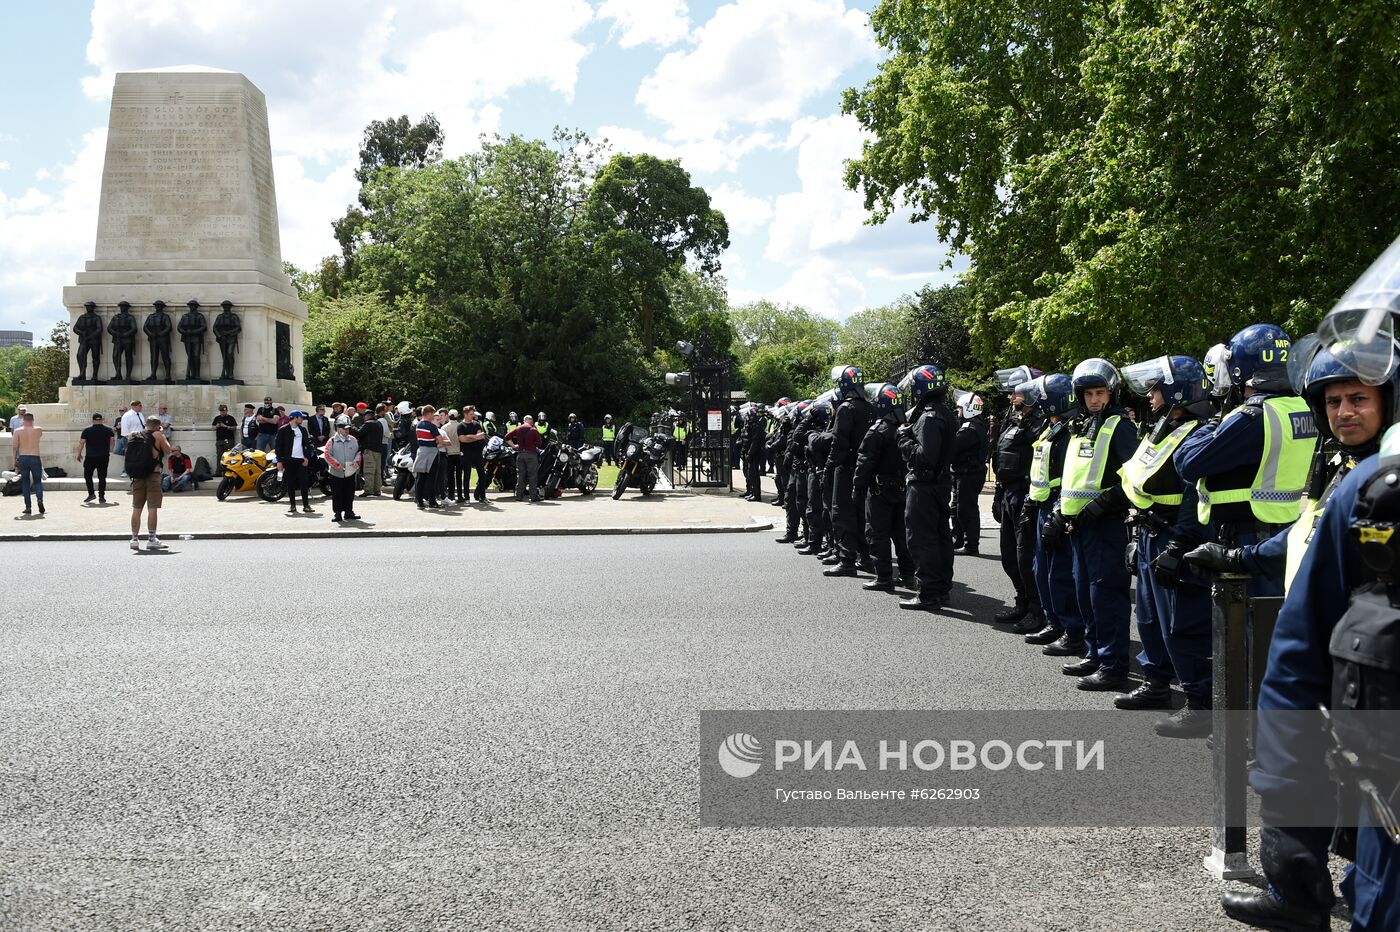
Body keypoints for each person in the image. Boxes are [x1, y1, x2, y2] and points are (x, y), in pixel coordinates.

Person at [1215, 244, 1400, 932]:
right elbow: (1305, 553)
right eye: (1334, 402)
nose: (1344, 413)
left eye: (1359, 398)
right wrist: (1293, 857)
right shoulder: (1364, 486)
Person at [1175, 323, 1316, 597]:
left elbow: (1188, 463)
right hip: (1280, 531)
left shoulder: (1252, 417)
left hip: (1246, 535)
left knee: (1244, 629)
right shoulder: (1301, 408)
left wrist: (1212, 425)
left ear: (1240, 369)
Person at [1115, 355, 1215, 734]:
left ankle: (1200, 702)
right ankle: (1157, 684)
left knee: (1182, 622)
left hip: (1175, 536)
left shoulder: (1198, 432)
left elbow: (1194, 494)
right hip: (1149, 532)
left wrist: (1178, 546)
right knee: (1149, 618)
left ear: (1175, 391)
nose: (1150, 396)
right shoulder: (1161, 427)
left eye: (1156, 388)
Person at [1042, 358, 1138, 691]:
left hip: (1105, 525)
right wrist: (1062, 511)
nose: (1094, 399)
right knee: (1086, 594)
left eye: (1100, 393)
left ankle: (1113, 665)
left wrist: (1102, 505)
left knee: (1106, 595)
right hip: (1079, 525)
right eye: (1088, 394)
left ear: (1111, 393)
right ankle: (1095, 652)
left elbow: (1135, 477)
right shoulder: (1080, 426)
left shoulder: (1119, 426)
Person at [1019, 374, 1087, 653]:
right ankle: (1053, 620)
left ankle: (1072, 629)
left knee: (1059, 573)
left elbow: (1071, 476)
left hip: (1057, 509)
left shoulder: (1070, 432)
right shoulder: (1050, 428)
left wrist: (1059, 512)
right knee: (1041, 570)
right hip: (1040, 505)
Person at [990, 366, 1047, 632]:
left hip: (1026, 494)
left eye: (1019, 392)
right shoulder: (1011, 417)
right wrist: (999, 494)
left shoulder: (1040, 421)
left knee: (1027, 558)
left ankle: (1037, 610)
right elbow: (1001, 453)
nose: (1013, 397)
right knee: (1009, 556)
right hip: (1009, 492)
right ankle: (1022, 601)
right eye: (1012, 392)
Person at [897, 365, 956, 610]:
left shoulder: (928, 417)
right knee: (941, 536)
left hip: (924, 485)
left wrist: (903, 439)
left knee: (922, 539)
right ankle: (941, 588)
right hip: (940, 483)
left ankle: (928, 593)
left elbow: (924, 456)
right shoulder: (946, 413)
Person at [855, 384, 914, 592]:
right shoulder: (906, 428)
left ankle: (884, 578)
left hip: (879, 491)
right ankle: (908, 575)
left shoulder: (877, 430)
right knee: (901, 534)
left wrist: (857, 488)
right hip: (902, 489)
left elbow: (864, 462)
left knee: (877, 534)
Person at [823, 366, 876, 576]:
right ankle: (865, 557)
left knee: (842, 513)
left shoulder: (846, 408)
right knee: (862, 514)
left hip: (846, 467)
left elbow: (839, 444)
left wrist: (828, 467)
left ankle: (846, 560)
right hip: (864, 468)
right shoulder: (870, 407)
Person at [950, 391, 989, 555]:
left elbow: (953, 448)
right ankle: (959, 540)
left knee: (966, 509)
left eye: (960, 409)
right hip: (965, 473)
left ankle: (971, 544)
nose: (958, 412)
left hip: (968, 473)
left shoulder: (969, 429)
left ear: (968, 409)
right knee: (957, 507)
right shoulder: (976, 425)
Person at [127, 415, 170, 550]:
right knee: (152, 508)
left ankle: (134, 539)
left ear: (146, 425)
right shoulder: (158, 435)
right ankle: (151, 539)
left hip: (137, 475)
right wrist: (161, 433)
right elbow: (168, 451)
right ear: (158, 426)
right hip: (153, 474)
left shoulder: (134, 435)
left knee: (136, 508)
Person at [799, 401, 834, 558]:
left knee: (817, 510)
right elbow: (796, 437)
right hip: (815, 471)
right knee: (816, 509)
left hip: (819, 472)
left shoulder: (820, 431)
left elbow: (799, 436)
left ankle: (817, 544)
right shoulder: (820, 428)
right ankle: (821, 543)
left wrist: (807, 423)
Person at [777, 401, 812, 546]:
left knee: (803, 503)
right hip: (794, 468)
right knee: (790, 500)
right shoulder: (795, 427)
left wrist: (790, 432)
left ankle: (807, 535)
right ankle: (791, 532)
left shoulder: (806, 429)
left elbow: (794, 446)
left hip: (802, 469)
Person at [275, 410, 314, 515]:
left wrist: (307, 458)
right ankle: (292, 505)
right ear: (295, 418)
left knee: (304, 482)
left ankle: (306, 505)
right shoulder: (283, 430)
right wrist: (279, 461)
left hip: (301, 460)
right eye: (301, 418)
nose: (302, 419)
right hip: (289, 460)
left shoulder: (303, 430)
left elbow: (308, 445)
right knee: (290, 483)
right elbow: (278, 446)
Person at [323, 416, 362, 523]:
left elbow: (358, 452)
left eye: (348, 428)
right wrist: (336, 465)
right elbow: (327, 454)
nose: (346, 430)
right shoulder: (332, 441)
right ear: (338, 428)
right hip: (336, 473)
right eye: (344, 428)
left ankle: (349, 512)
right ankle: (337, 513)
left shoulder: (353, 440)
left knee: (349, 493)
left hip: (350, 472)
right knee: (337, 494)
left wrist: (356, 462)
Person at [77, 412, 115, 503]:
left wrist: (79, 453)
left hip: (91, 456)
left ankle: (91, 494)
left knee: (88, 475)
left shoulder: (87, 430)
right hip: (104, 456)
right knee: (102, 477)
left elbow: (82, 442)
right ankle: (101, 496)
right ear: (101, 420)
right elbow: (112, 440)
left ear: (93, 420)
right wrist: (109, 450)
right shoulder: (108, 430)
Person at [11, 412, 44, 515]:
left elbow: (14, 447)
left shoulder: (18, 431)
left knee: (25, 482)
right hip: (35, 456)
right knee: (37, 481)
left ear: (23, 420)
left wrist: (14, 460)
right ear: (33, 420)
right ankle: (39, 500)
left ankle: (28, 507)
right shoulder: (38, 430)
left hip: (23, 457)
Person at [412, 404, 445, 509]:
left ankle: (419, 501)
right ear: (429, 414)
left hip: (421, 451)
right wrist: (435, 440)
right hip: (432, 453)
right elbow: (440, 440)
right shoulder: (431, 426)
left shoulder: (418, 424)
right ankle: (432, 501)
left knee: (420, 478)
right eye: (433, 414)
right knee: (431, 478)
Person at [505, 414, 545, 502]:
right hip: (531, 454)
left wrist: (514, 446)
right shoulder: (533, 430)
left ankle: (519, 496)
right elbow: (539, 444)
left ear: (524, 421)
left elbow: (507, 437)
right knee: (532, 475)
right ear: (531, 421)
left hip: (520, 454)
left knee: (520, 475)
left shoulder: (518, 428)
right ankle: (533, 496)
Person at [459, 406, 487, 503]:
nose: (473, 416)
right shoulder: (461, 426)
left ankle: (482, 497)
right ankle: (466, 498)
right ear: (465, 414)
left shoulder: (477, 424)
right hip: (466, 454)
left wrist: (469, 436)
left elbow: (481, 437)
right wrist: (475, 436)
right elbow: (462, 439)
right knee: (467, 476)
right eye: (471, 414)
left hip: (477, 453)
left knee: (482, 475)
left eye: (473, 414)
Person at [356, 405, 385, 497]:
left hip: (369, 450)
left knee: (369, 470)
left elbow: (359, 433)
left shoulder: (368, 424)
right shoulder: (379, 423)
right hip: (378, 450)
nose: (364, 417)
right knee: (377, 471)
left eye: (364, 416)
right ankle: (377, 490)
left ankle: (368, 490)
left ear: (368, 416)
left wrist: (352, 427)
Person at [443, 409, 464, 502]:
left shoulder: (444, 427)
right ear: (457, 416)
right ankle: (460, 495)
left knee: (450, 476)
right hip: (459, 454)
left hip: (449, 454)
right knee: (459, 476)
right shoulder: (461, 426)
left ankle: (451, 495)